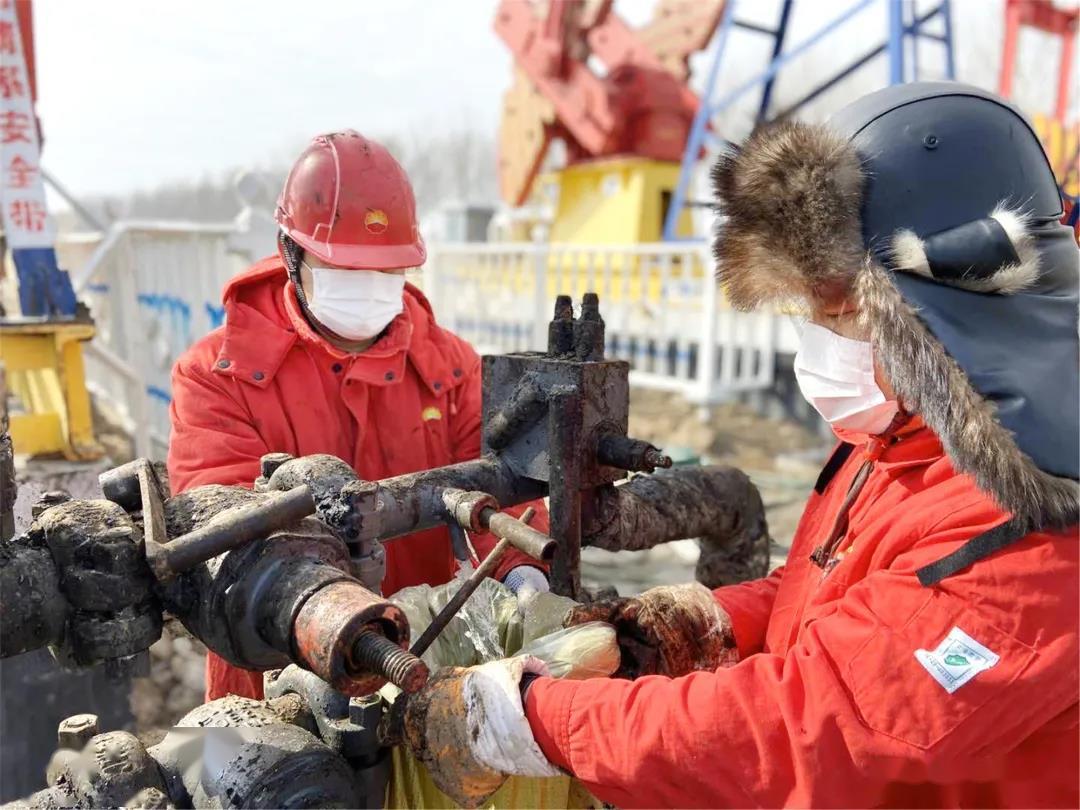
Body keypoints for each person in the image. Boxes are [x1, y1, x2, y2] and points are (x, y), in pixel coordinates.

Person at [396, 83, 1079, 808]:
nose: (814, 339)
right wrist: (711, 621)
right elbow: (849, 597)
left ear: (950, 311)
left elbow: (807, 729)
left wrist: (534, 720)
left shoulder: (1034, 522)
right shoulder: (905, 432)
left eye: (839, 311)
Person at [167, 131, 549, 701]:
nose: (369, 288)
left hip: (423, 656)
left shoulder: (448, 366)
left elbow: (501, 482)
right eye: (345, 268)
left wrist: (521, 567)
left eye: (387, 270)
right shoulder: (216, 375)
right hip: (275, 681)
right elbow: (223, 538)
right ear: (291, 256)